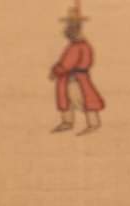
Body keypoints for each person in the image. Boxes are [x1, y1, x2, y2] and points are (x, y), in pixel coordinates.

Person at [50, 6, 104, 135]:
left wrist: (56, 71)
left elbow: (67, 64)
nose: (67, 29)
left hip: (75, 79)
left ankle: (93, 124)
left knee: (84, 101)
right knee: (67, 100)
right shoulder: (79, 45)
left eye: (71, 26)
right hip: (70, 78)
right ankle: (67, 122)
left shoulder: (78, 46)